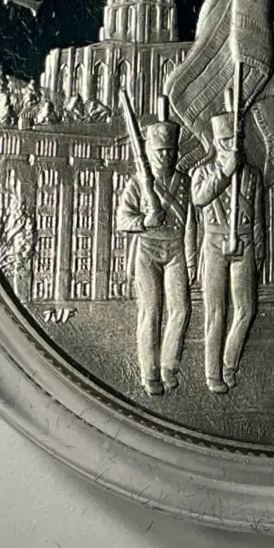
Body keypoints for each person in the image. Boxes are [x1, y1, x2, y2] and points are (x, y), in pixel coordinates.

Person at [115, 118, 196, 395]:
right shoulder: (138, 183)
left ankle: (169, 365)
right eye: (160, 151)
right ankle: (149, 373)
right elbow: (122, 219)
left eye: (170, 151)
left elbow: (190, 222)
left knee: (181, 309)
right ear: (150, 151)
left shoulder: (183, 182)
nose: (166, 156)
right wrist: (145, 221)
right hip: (147, 251)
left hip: (176, 250)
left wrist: (191, 257)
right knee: (151, 312)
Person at [190, 112, 265, 394]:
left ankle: (229, 363)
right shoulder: (202, 172)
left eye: (236, 138)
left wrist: (259, 250)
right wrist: (225, 172)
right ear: (216, 141)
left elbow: (258, 216)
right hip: (214, 242)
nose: (232, 144)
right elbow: (200, 198)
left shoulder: (252, 174)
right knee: (215, 311)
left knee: (246, 309)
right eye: (226, 139)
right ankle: (212, 374)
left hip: (244, 240)